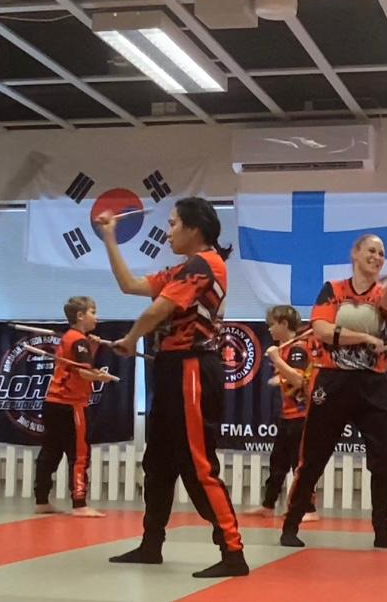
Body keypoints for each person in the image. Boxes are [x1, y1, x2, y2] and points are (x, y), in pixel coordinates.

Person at [98, 198, 248, 579]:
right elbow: (130, 285)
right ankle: (151, 544)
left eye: (173, 223)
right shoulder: (183, 269)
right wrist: (110, 239)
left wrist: (131, 339)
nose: (168, 232)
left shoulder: (205, 265)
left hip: (192, 369)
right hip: (171, 369)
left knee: (199, 465)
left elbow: (158, 310)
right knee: (159, 463)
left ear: (194, 228)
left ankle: (233, 551)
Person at [279, 234, 387, 552]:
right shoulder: (333, 290)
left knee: (385, 458)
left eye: (382, 253)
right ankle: (291, 524)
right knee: (313, 456)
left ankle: (382, 530)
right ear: (355, 253)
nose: (377, 256)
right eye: (371, 250)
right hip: (333, 381)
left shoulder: (383, 291)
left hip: (372, 383)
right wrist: (363, 338)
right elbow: (322, 329)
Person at [34, 296, 116, 517]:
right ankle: (79, 503)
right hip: (71, 404)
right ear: (80, 316)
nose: (96, 317)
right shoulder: (79, 340)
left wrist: (93, 348)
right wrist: (100, 377)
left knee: (51, 451)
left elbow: (77, 367)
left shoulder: (72, 338)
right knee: (79, 454)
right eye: (93, 312)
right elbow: (83, 372)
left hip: (53, 402)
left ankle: (41, 500)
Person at [248, 305, 318, 521]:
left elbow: (298, 379)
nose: (269, 329)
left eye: (272, 325)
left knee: (299, 465)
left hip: (301, 416)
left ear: (285, 324)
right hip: (287, 415)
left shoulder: (297, 349)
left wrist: (276, 360)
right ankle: (268, 505)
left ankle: (308, 509)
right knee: (277, 462)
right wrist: (279, 375)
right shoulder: (285, 349)